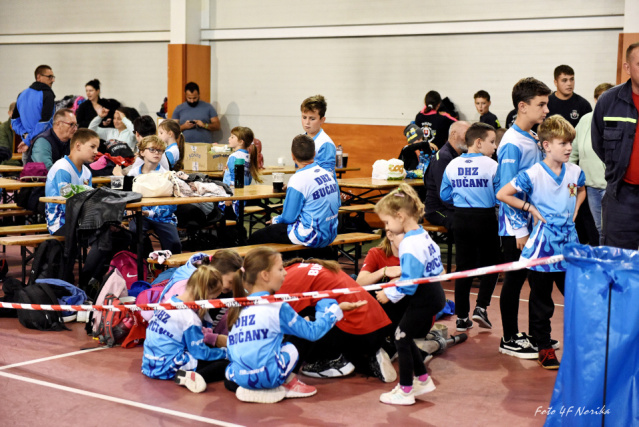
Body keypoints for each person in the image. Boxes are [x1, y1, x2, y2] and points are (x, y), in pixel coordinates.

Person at [497, 115, 585, 369]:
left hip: (569, 244)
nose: (569, 148)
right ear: (546, 145)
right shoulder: (533, 173)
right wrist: (530, 208)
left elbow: (580, 189)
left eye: (570, 143)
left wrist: (575, 210)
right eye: (563, 143)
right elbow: (503, 193)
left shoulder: (575, 171)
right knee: (541, 301)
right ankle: (543, 346)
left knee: (576, 297)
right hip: (542, 246)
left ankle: (580, 345)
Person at [225, 247, 365, 403]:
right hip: (270, 377)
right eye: (280, 269)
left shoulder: (237, 308)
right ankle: (286, 383)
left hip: (240, 377)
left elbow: (231, 352)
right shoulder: (277, 306)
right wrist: (334, 310)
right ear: (265, 275)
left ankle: (249, 386)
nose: (285, 273)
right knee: (304, 329)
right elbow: (313, 333)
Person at [374, 183, 446, 406]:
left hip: (424, 297)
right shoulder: (422, 234)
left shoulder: (409, 243)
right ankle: (422, 379)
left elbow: (410, 283)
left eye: (387, 222)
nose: (387, 227)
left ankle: (405, 391)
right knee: (403, 336)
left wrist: (389, 293)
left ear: (400, 216)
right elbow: (434, 268)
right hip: (433, 293)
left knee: (400, 337)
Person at [496, 77, 551, 359]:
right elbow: (505, 190)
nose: (546, 110)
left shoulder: (531, 136)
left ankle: (532, 334)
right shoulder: (512, 143)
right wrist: (519, 230)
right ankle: (508, 337)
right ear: (522, 106)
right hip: (515, 227)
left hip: (532, 222)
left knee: (531, 280)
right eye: (541, 104)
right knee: (514, 280)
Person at [280, 258, 396, 383]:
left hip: (359, 331)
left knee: (302, 324)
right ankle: (370, 355)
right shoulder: (298, 269)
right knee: (311, 312)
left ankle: (333, 360)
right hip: (378, 328)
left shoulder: (283, 283)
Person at [440, 122, 500, 332]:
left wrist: (462, 195)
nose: (495, 147)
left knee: (463, 267)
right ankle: (481, 307)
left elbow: (444, 195)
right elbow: (500, 195)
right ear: (479, 142)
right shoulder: (492, 165)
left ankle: (462, 317)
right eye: (492, 142)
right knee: (491, 264)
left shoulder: (452, 164)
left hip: (460, 217)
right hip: (484, 217)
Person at [142, 264, 229, 393]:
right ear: (205, 293)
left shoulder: (168, 302)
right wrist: (226, 353)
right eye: (212, 298)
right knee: (225, 364)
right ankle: (193, 376)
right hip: (168, 367)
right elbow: (200, 353)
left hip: (149, 364)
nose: (212, 301)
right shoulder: (190, 318)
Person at [248, 134, 340, 249]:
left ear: (292, 156)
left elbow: (289, 217)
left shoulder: (298, 179)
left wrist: (275, 219)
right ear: (314, 154)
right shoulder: (328, 175)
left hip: (311, 235)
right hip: (331, 233)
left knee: (256, 237)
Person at [592, 42, 639, 250]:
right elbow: (598, 142)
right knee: (617, 258)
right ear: (627, 67)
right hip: (621, 195)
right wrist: (619, 169)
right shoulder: (609, 101)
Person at [570, 83, 613, 242]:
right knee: (599, 228)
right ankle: (603, 255)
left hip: (611, 186)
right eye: (601, 98)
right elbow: (573, 151)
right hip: (590, 185)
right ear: (595, 100)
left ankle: (612, 255)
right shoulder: (585, 120)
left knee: (611, 228)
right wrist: (567, 175)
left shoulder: (617, 120)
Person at [127, 135, 182, 255]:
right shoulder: (133, 173)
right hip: (139, 215)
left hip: (163, 217)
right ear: (142, 152)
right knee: (136, 234)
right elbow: (127, 196)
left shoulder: (166, 175)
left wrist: (150, 213)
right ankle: (145, 262)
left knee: (174, 243)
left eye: (160, 150)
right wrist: (129, 209)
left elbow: (171, 205)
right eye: (152, 149)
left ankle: (170, 265)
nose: (156, 153)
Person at [44, 129, 98, 234]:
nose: (96, 151)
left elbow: (90, 200)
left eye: (97, 148)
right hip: (59, 223)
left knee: (112, 230)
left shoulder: (87, 172)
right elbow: (66, 204)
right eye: (92, 147)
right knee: (100, 232)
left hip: (79, 221)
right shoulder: (62, 168)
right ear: (78, 146)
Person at [423, 120, 471, 232]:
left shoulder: (461, 156)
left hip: (452, 207)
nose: (470, 138)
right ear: (454, 134)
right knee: (464, 222)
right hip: (437, 209)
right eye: (466, 134)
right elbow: (444, 194)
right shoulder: (443, 157)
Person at [221, 126, 263, 219]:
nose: (229, 138)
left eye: (232, 137)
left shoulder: (234, 156)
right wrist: (226, 172)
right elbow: (247, 178)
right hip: (243, 196)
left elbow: (234, 179)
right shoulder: (248, 157)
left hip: (232, 198)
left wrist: (228, 197)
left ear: (240, 142)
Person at [12, 65, 56, 153]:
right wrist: (29, 139)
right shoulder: (48, 95)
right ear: (38, 77)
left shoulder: (21, 94)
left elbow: (14, 121)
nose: (53, 80)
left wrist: (25, 135)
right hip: (43, 145)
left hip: (26, 146)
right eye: (50, 77)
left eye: (53, 77)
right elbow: (45, 122)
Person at [301, 94, 336, 175]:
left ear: (322, 120)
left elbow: (327, 175)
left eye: (312, 119)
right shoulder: (301, 139)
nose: (307, 122)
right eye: (304, 117)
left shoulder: (325, 143)